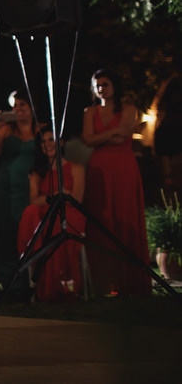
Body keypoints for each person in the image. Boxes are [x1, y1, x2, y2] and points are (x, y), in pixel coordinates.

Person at [81, 69, 151, 296]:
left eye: (105, 83)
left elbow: (124, 135)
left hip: (123, 169)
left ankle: (129, 281)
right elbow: (88, 139)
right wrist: (114, 133)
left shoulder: (129, 109)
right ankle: (104, 283)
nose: (101, 88)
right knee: (102, 219)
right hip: (99, 170)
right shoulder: (89, 112)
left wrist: (104, 136)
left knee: (124, 217)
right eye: (97, 85)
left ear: (114, 85)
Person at [16, 126, 86, 302]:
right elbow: (34, 200)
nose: (47, 144)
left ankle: (62, 286)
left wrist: (54, 197)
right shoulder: (37, 172)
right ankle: (44, 282)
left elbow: (76, 198)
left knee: (54, 224)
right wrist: (57, 195)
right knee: (33, 214)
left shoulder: (76, 168)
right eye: (43, 141)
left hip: (70, 213)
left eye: (51, 140)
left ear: (60, 142)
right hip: (46, 214)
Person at [0, 90, 38, 290]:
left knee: (28, 232)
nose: (18, 109)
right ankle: (9, 284)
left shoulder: (41, 129)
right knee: (6, 234)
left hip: (31, 188)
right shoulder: (7, 129)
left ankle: (32, 282)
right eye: (14, 105)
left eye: (22, 104)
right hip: (6, 186)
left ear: (31, 107)